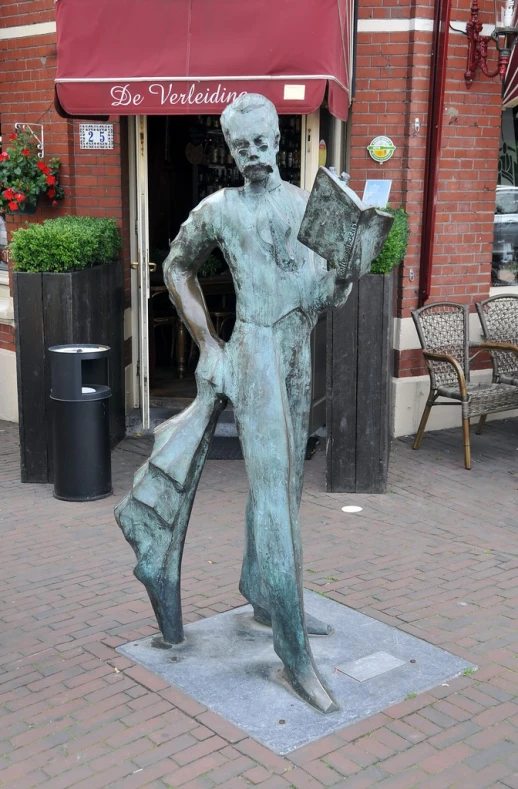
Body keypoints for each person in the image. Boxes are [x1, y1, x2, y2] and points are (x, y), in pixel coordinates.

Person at [116, 94, 353, 713]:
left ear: (279, 138)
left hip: (297, 350)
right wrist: (209, 344)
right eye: (239, 145)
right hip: (254, 354)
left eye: (260, 142)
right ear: (229, 147)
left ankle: (266, 595)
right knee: (274, 492)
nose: (251, 154)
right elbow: (175, 268)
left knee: (288, 484)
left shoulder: (305, 203)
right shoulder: (217, 209)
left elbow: (316, 289)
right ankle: (293, 652)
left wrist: (347, 271)